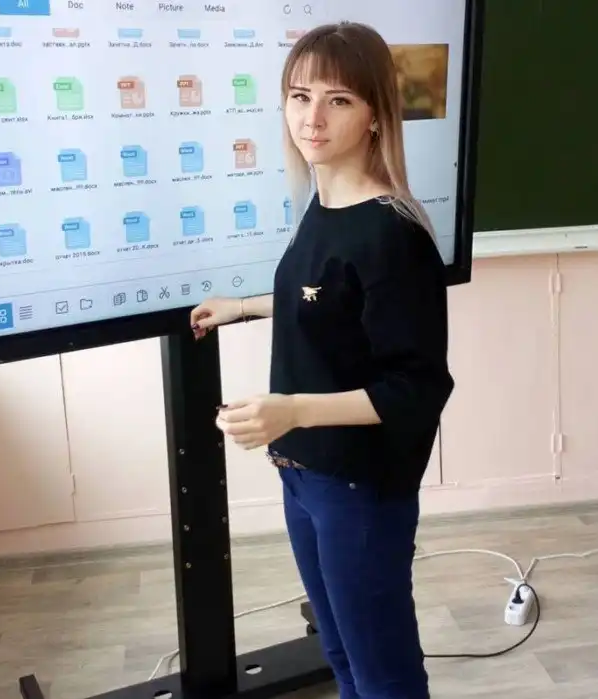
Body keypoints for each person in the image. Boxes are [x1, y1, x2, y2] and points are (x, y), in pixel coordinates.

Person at [190, 21, 454, 699]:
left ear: (374, 114)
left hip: (357, 488)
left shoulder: (392, 234)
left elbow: (417, 387)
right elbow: (326, 299)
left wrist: (291, 411)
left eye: (338, 100)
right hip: (304, 473)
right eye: (300, 96)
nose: (312, 118)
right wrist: (242, 306)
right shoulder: (323, 203)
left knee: (383, 673)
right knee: (339, 652)